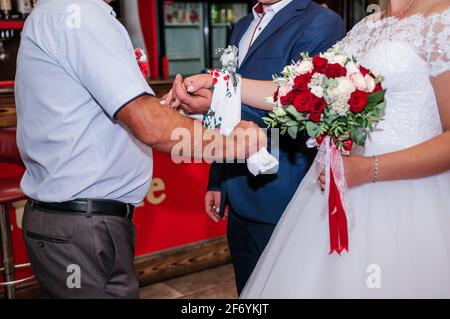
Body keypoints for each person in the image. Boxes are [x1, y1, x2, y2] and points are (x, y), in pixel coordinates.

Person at [169, 0, 450, 299]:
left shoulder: (440, 18)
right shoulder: (367, 26)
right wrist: (220, 84)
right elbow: (296, 90)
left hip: (407, 196)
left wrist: (369, 168)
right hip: (342, 187)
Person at [15, 0, 265, 299]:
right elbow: (148, 125)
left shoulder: (60, 11)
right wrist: (234, 145)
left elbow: (96, 114)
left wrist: (168, 110)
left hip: (79, 222)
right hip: (82, 226)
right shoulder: (79, 13)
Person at [165, 0, 345, 295]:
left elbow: (306, 108)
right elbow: (226, 110)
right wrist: (219, 179)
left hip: (286, 193)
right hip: (238, 192)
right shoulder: (242, 26)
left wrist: (212, 100)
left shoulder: (321, 22)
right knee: (248, 292)